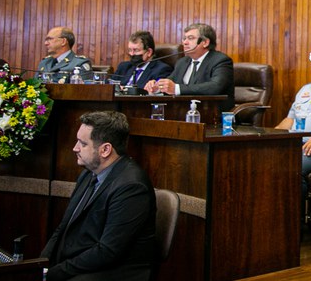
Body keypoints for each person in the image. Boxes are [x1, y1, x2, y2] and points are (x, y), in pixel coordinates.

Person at [41, 111, 156, 281]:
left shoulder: (131, 187)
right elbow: (64, 227)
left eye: (83, 143)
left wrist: (54, 274)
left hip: (115, 272)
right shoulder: (89, 173)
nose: (75, 148)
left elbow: (108, 251)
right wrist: (41, 265)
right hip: (85, 262)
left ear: (105, 150)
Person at [144, 23, 234, 112]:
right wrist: (157, 87)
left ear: (205, 42)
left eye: (191, 38)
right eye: (184, 38)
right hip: (183, 114)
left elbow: (215, 87)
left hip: (212, 114)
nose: (185, 42)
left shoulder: (220, 60)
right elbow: (170, 83)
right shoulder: (182, 62)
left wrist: (177, 88)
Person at [274, 74, 311, 209]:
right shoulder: (305, 89)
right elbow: (290, 119)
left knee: (292, 167)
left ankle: (296, 215)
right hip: (294, 143)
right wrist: (274, 132)